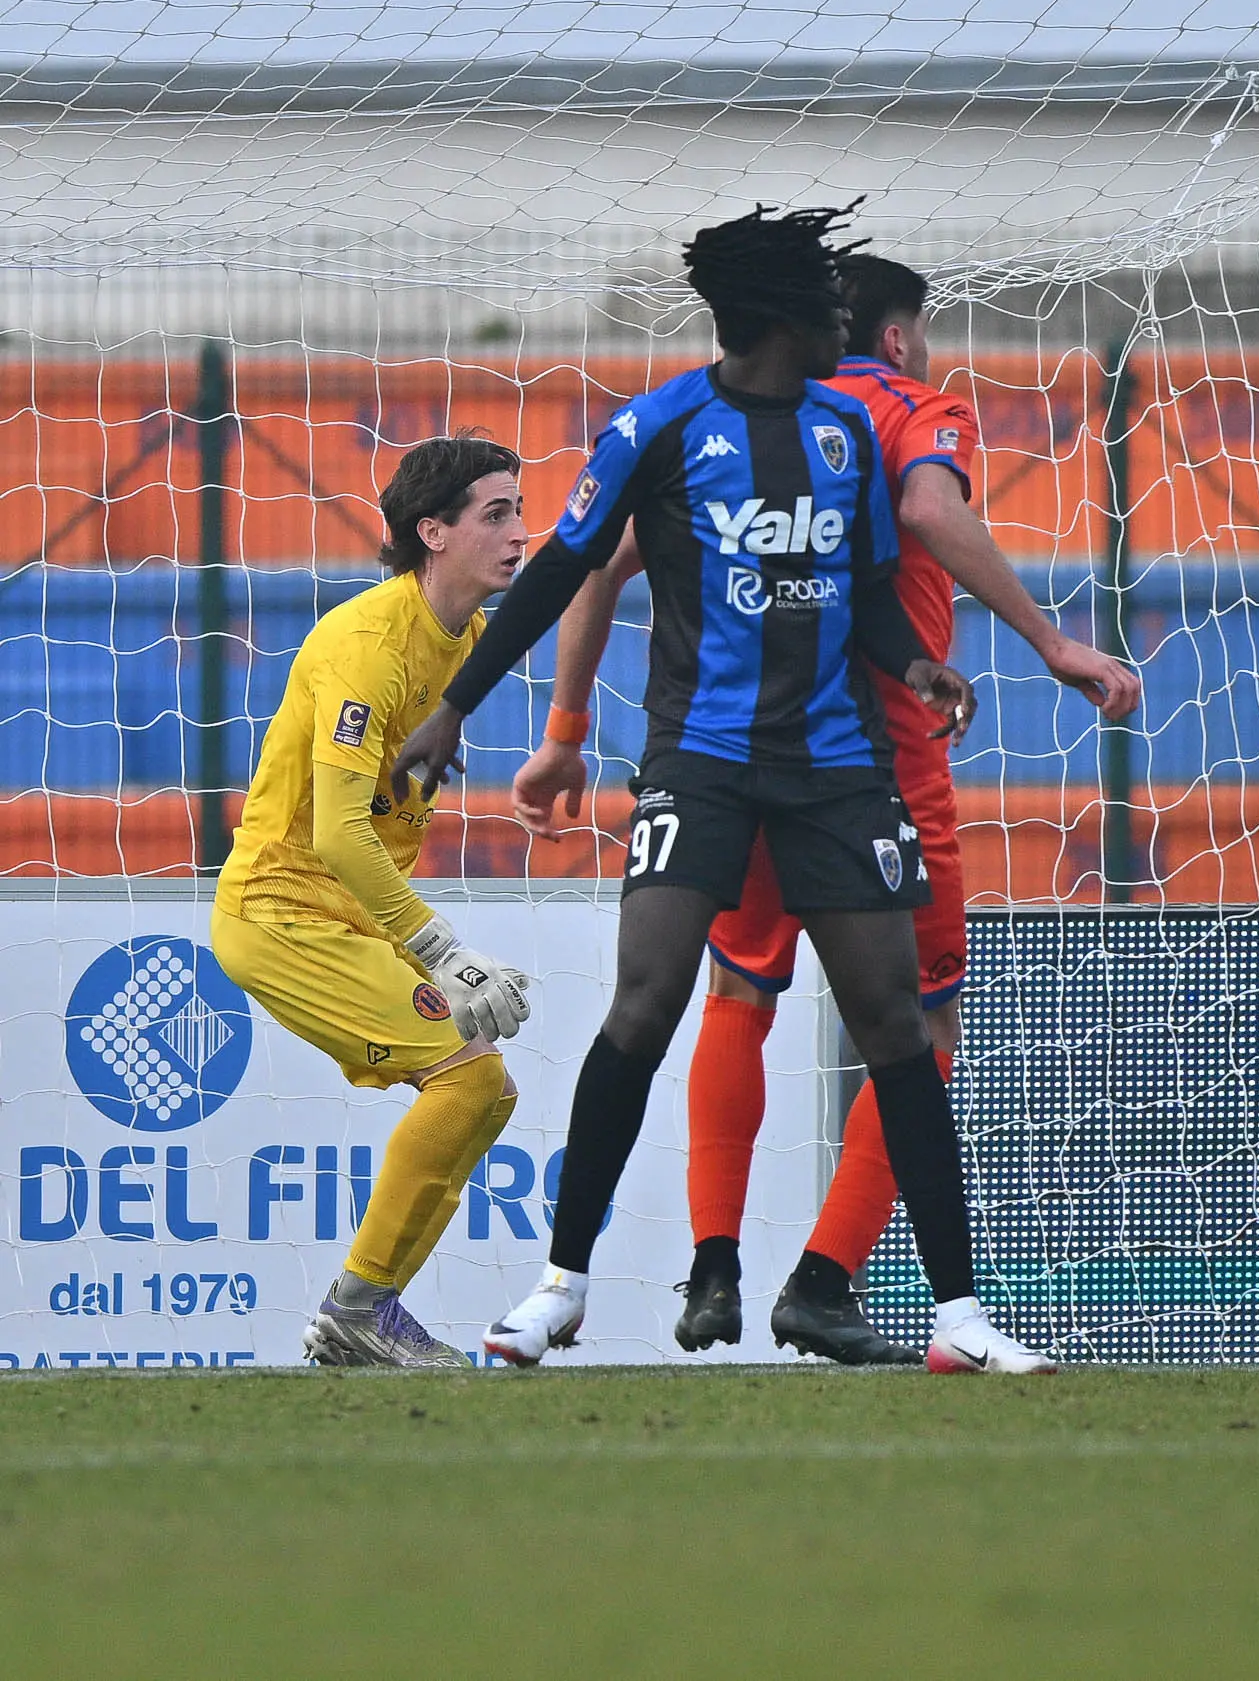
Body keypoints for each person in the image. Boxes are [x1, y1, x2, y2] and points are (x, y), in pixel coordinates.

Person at [391, 204, 1049, 1375]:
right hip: (698, 765)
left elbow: (865, 588)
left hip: (837, 770)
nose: (840, 323)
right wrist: (458, 707)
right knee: (643, 1007)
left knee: (893, 1026)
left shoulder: (844, 432)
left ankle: (958, 1312)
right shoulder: (659, 427)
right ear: (787, 318)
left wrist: (913, 663)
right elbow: (561, 569)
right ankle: (562, 1286)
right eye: (825, 308)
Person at [510, 253, 1141, 1364]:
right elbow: (930, 507)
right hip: (875, 756)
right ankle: (832, 1275)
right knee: (916, 1024)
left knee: (732, 990)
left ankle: (710, 1262)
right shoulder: (900, 410)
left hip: (734, 746)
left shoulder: (725, 413)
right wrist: (1049, 642)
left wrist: (564, 732)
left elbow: (599, 564)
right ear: (895, 337)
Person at [210, 435, 535, 1367]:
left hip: (340, 912)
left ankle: (367, 1311)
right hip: (281, 910)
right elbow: (337, 835)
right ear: (431, 532)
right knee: (468, 1074)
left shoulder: (463, 636)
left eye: (520, 508)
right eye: (496, 513)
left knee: (487, 1091)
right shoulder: (367, 643)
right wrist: (443, 949)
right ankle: (358, 1308)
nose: (521, 532)